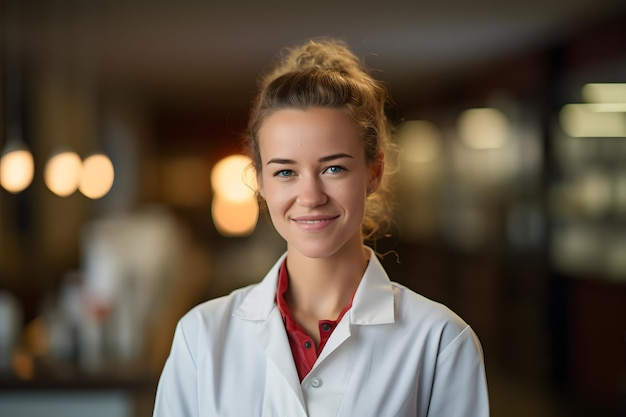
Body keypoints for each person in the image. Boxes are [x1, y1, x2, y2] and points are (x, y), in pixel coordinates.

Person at [152, 38, 489, 417]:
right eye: (285, 172)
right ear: (261, 183)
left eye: (334, 168)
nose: (310, 195)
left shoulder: (440, 341)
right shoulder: (201, 336)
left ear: (373, 173)